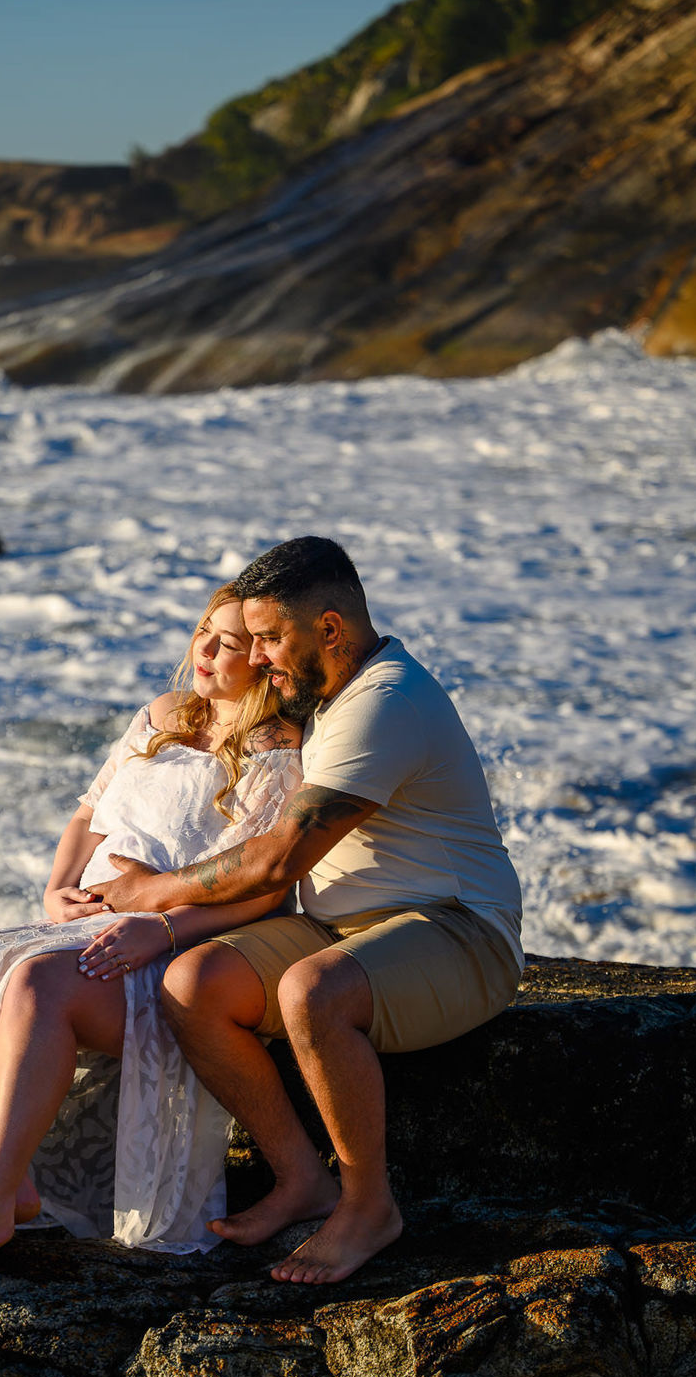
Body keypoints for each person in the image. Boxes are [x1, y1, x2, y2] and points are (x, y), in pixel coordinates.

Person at [94, 536, 524, 1288]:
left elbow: (277, 857)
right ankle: (301, 1179)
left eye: (267, 638)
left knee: (310, 991)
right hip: (341, 925)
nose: (255, 657)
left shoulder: (384, 703)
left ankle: (367, 1205)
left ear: (329, 629)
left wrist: (150, 892)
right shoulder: (323, 697)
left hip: (457, 929)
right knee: (192, 985)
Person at [0, 584, 302, 1291]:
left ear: (265, 659)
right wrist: (57, 887)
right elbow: (89, 812)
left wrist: (162, 925)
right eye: (204, 629)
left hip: (169, 949)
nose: (205, 649)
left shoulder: (276, 749)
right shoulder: (164, 714)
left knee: (33, 985)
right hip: (93, 921)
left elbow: (265, 889)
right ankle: (10, 1181)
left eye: (230, 642)